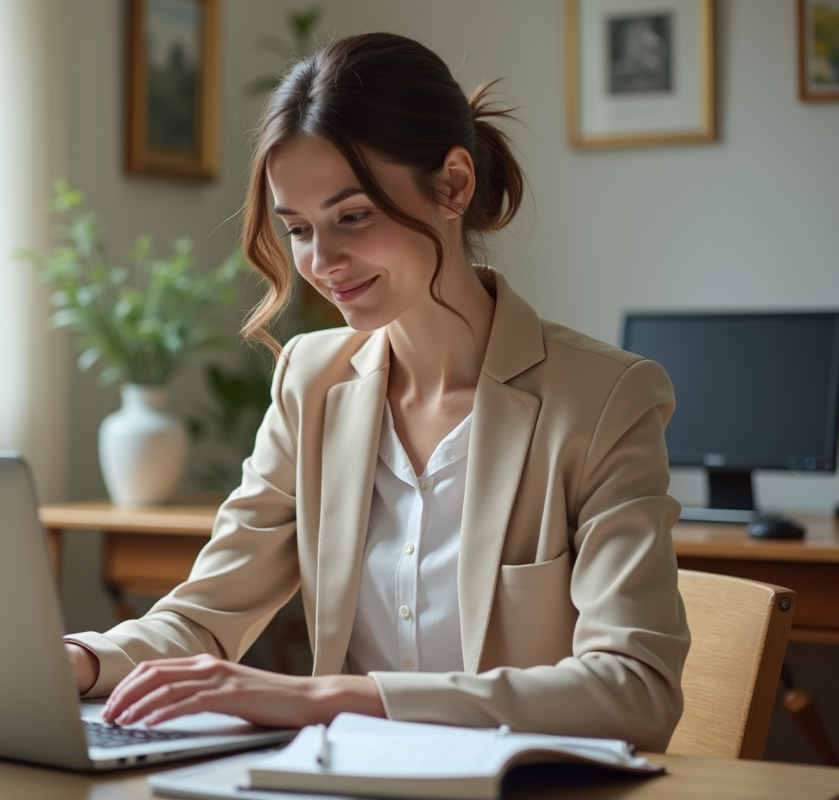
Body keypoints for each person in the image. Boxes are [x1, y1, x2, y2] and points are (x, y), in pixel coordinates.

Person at [64, 31, 690, 752]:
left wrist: (325, 698)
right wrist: (80, 662)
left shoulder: (605, 398)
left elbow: (635, 689)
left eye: (352, 216)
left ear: (454, 185)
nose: (321, 262)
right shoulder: (311, 378)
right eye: (298, 229)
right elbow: (206, 616)